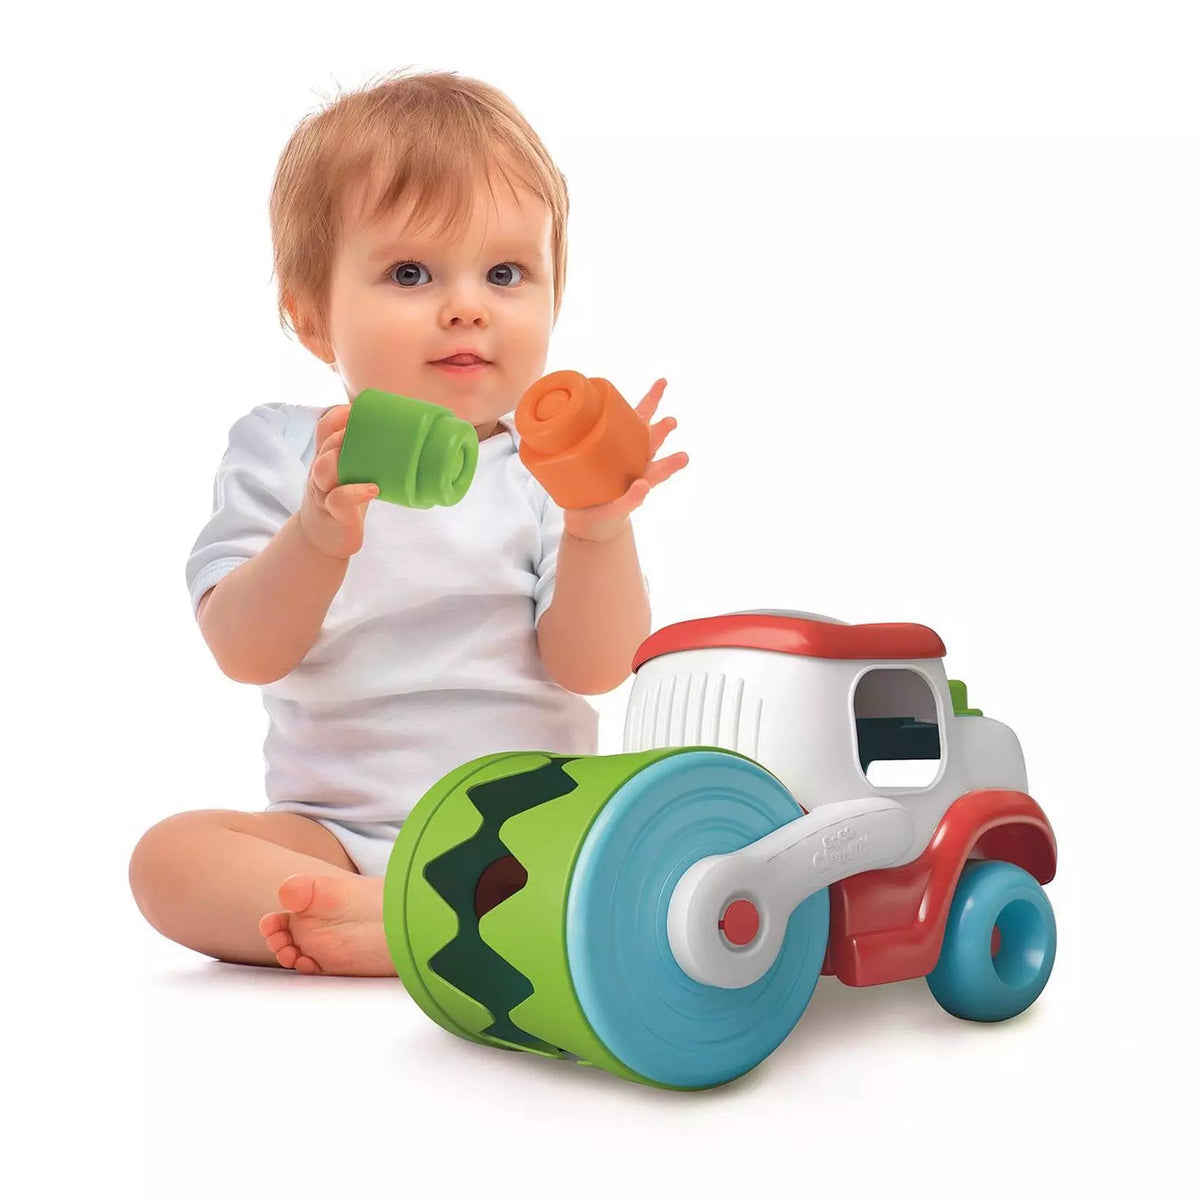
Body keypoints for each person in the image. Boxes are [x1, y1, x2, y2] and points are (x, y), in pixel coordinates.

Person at [128, 68, 688, 976]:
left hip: (525, 828)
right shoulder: (283, 453)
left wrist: (598, 527)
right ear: (313, 319)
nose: (466, 304)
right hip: (335, 839)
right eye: (410, 272)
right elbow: (243, 651)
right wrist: (315, 535)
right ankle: (403, 919)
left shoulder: (544, 472)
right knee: (167, 860)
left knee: (635, 851)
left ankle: (432, 925)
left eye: (505, 272)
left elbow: (595, 668)